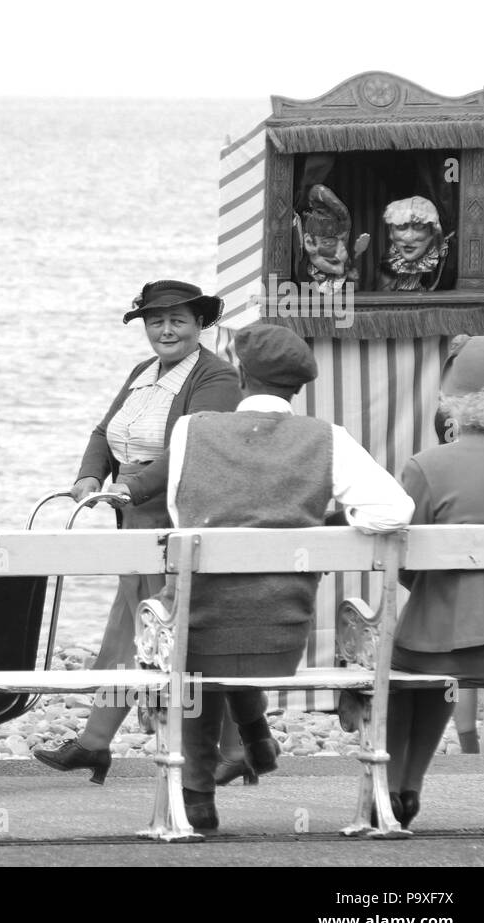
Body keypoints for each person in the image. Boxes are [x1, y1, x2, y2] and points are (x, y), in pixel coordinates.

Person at [166, 323, 414, 831]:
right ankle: (254, 733)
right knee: (234, 616)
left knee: (194, 627)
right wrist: (325, 522)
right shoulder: (328, 439)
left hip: (201, 625)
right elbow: (394, 510)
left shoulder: (191, 429)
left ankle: (196, 798)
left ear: (239, 373)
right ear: (298, 387)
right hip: (281, 632)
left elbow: (178, 515)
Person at [33, 280, 240, 781]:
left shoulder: (218, 377)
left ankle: (233, 746)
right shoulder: (141, 373)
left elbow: (190, 450)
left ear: (199, 324)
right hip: (133, 514)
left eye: (178, 320)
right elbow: (105, 433)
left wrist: (131, 490)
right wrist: (89, 477)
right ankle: (97, 742)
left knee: (175, 635)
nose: (165, 330)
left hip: (174, 514)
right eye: (156, 321)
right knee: (131, 630)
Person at [385, 334, 484, 828]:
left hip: (438, 644)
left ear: (455, 401)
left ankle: (399, 788)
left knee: (404, 680)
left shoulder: (427, 466)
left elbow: (405, 562)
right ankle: (402, 788)